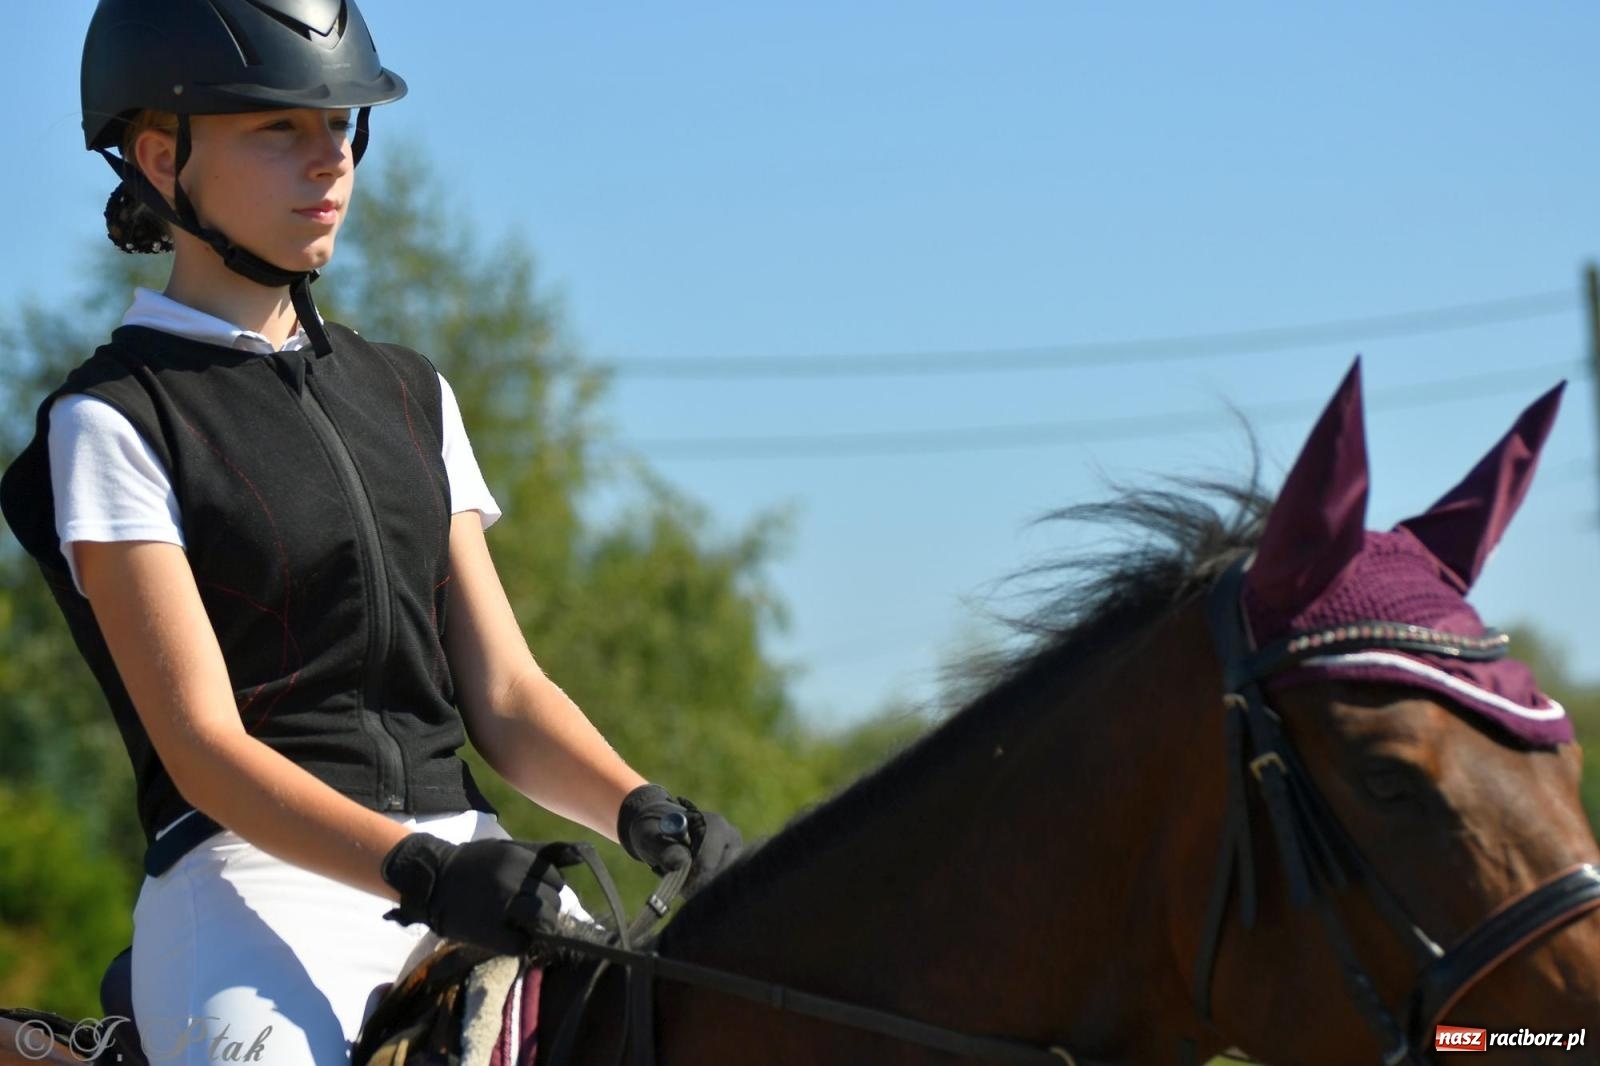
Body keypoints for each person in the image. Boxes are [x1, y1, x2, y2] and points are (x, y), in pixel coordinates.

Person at [0, 1, 743, 1062]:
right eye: (279, 129)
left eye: (342, 126)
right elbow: (204, 748)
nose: (330, 162)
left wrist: (639, 810)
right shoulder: (114, 419)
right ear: (163, 159)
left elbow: (505, 693)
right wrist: (417, 871)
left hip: (483, 869)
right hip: (252, 890)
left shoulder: (412, 393)